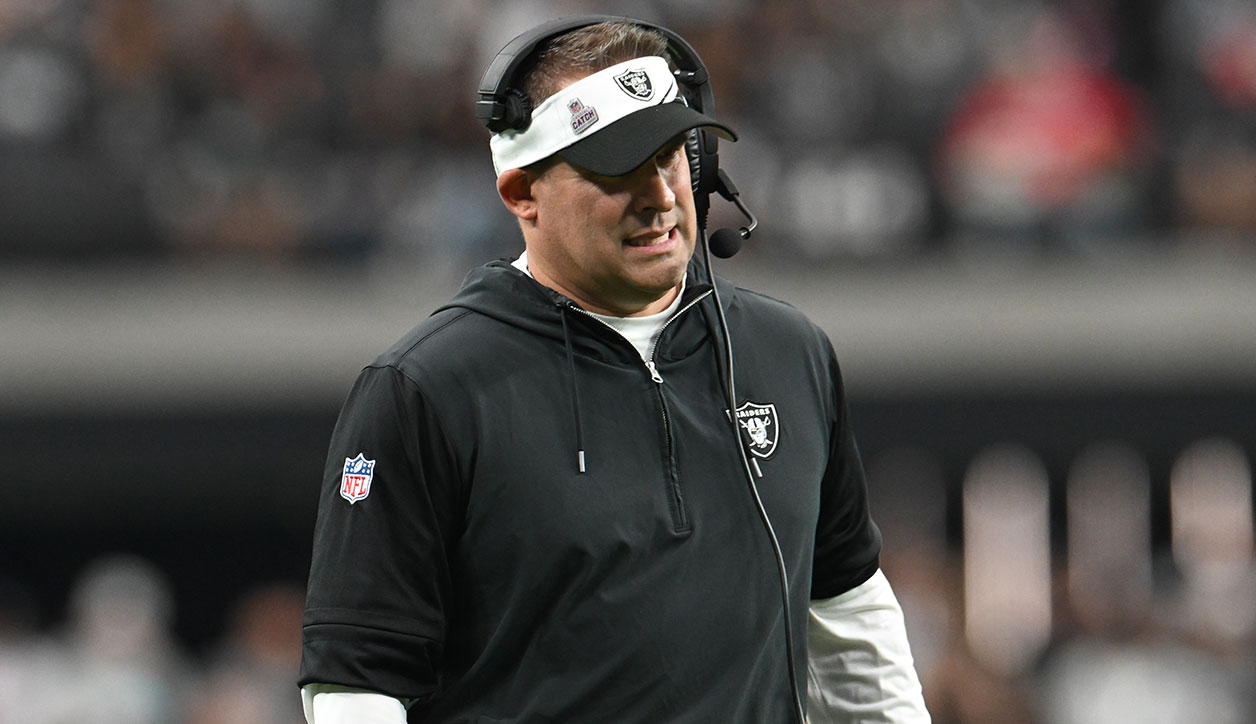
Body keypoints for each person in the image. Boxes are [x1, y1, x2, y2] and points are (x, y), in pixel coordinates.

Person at [298, 16, 929, 724]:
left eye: (671, 156)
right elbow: (357, 685)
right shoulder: (426, 391)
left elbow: (847, 614)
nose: (660, 195)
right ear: (521, 192)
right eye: (618, 169)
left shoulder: (788, 352)